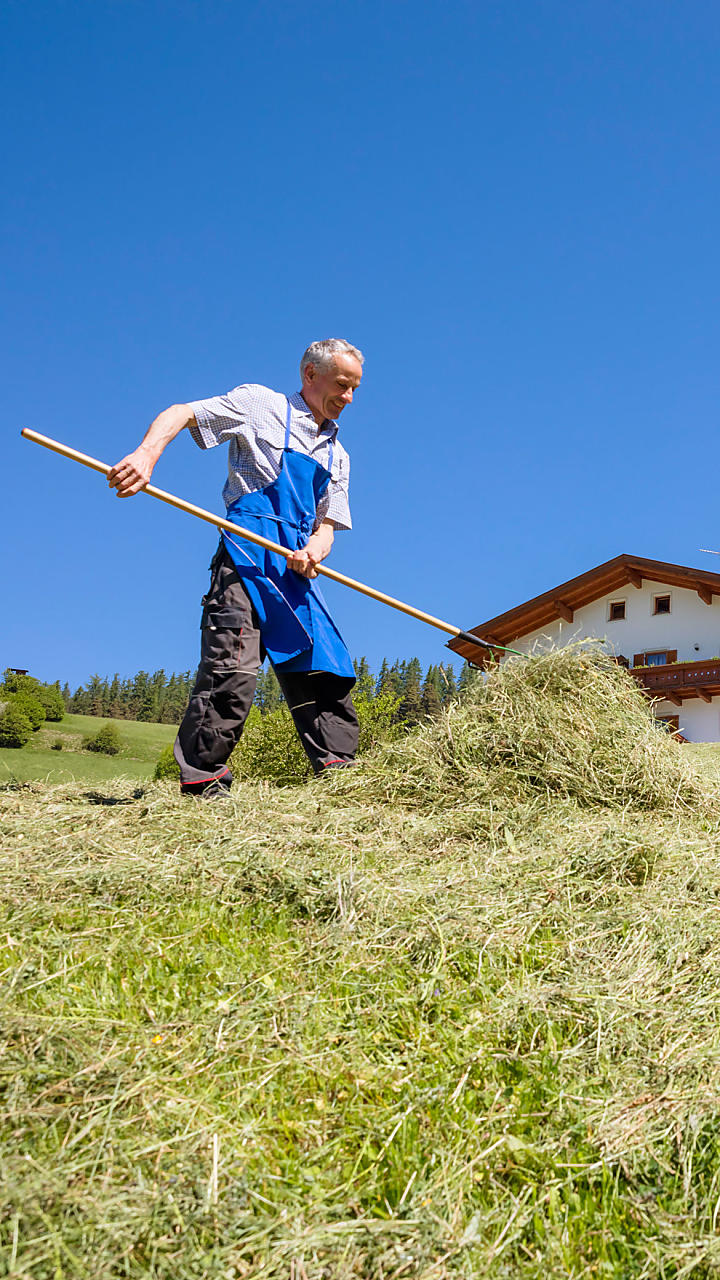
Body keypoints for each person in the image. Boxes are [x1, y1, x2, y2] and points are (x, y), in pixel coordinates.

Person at [108, 338, 364, 796]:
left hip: (295, 570)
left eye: (354, 389)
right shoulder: (259, 404)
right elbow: (183, 413)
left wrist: (315, 551)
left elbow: (327, 526)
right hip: (246, 557)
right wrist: (147, 454)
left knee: (323, 667)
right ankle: (204, 779)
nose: (348, 398)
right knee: (232, 669)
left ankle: (340, 779)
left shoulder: (338, 455)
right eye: (342, 385)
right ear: (310, 375)